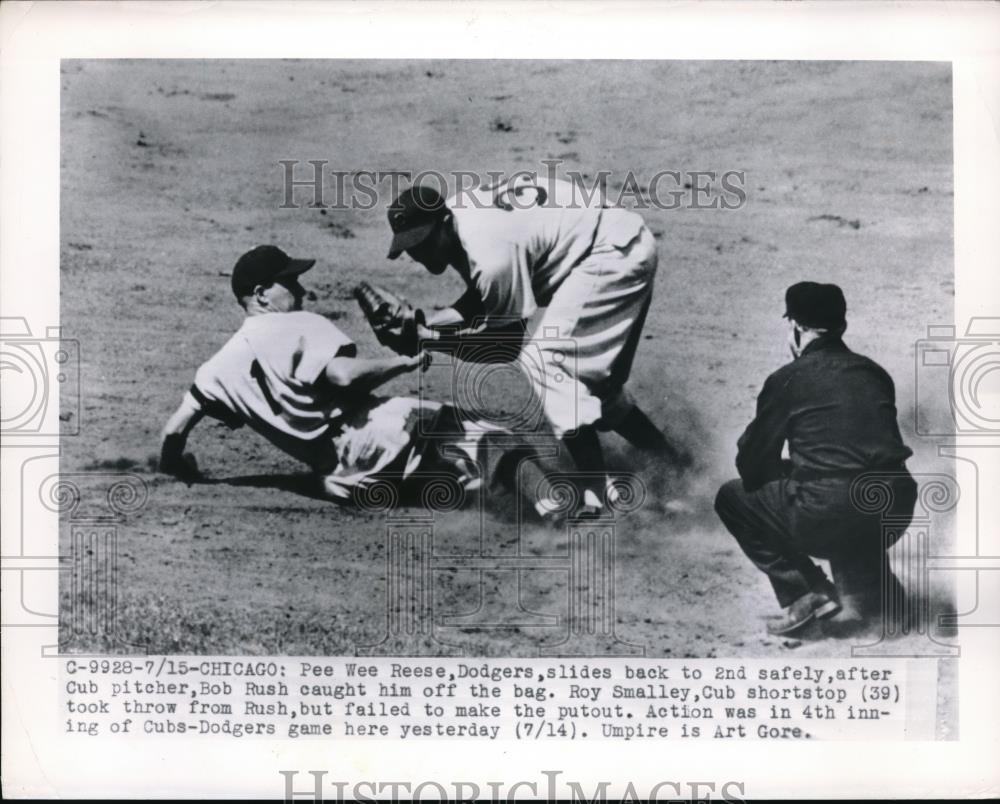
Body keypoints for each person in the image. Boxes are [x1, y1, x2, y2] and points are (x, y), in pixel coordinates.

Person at [385, 179, 689, 520]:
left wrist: (428, 340)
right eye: (409, 248)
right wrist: (425, 323)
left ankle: (596, 489)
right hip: (614, 241)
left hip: (610, 255)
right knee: (590, 386)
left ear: (443, 224)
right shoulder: (463, 221)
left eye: (423, 243)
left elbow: (503, 348)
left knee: (545, 362)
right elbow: (482, 297)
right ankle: (674, 464)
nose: (419, 254)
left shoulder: (489, 250)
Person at [158, 245, 496, 503]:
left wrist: (174, 467)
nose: (301, 291)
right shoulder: (299, 324)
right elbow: (343, 377)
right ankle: (544, 512)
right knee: (493, 441)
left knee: (452, 481)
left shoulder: (214, 369)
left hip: (342, 479)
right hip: (380, 433)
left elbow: (174, 431)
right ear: (261, 294)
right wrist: (403, 364)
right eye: (289, 282)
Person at [714, 282, 918, 636]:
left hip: (832, 510)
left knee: (734, 498)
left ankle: (806, 594)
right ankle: (880, 598)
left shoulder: (787, 378)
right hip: (895, 507)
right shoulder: (874, 372)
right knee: (854, 485)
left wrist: (784, 475)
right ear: (842, 326)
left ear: (795, 327)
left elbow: (751, 464)